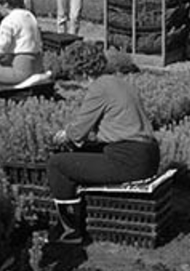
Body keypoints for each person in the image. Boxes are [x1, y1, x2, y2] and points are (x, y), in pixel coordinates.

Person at [46, 42, 159, 244]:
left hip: (129, 159)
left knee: (57, 164)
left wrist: (62, 135)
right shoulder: (118, 82)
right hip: (147, 154)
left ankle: (70, 231)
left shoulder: (98, 88)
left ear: (80, 72)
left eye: (73, 74)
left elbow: (78, 131)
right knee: (83, 155)